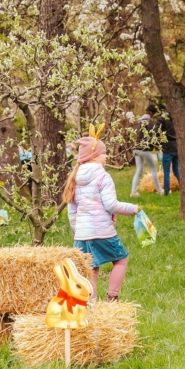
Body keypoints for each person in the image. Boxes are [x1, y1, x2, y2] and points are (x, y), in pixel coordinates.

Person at [64, 127, 140, 302]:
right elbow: (111, 205)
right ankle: (112, 298)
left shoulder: (75, 177)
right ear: (94, 156)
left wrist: (79, 231)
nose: (106, 157)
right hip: (101, 231)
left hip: (82, 235)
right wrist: (133, 208)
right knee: (121, 258)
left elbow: (72, 211)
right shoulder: (102, 176)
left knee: (91, 268)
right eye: (104, 153)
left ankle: (91, 305)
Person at [130, 104, 162, 197]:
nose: (153, 116)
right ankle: (159, 190)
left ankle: (133, 192)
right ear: (151, 113)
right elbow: (153, 136)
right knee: (153, 169)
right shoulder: (150, 122)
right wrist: (157, 145)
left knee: (139, 171)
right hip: (144, 149)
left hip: (136, 148)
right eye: (153, 114)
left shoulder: (140, 121)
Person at [156, 107, 179, 196]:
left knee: (166, 171)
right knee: (176, 169)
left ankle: (166, 191)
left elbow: (156, 131)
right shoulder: (175, 118)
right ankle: (184, 186)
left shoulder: (161, 119)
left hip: (167, 146)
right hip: (176, 145)